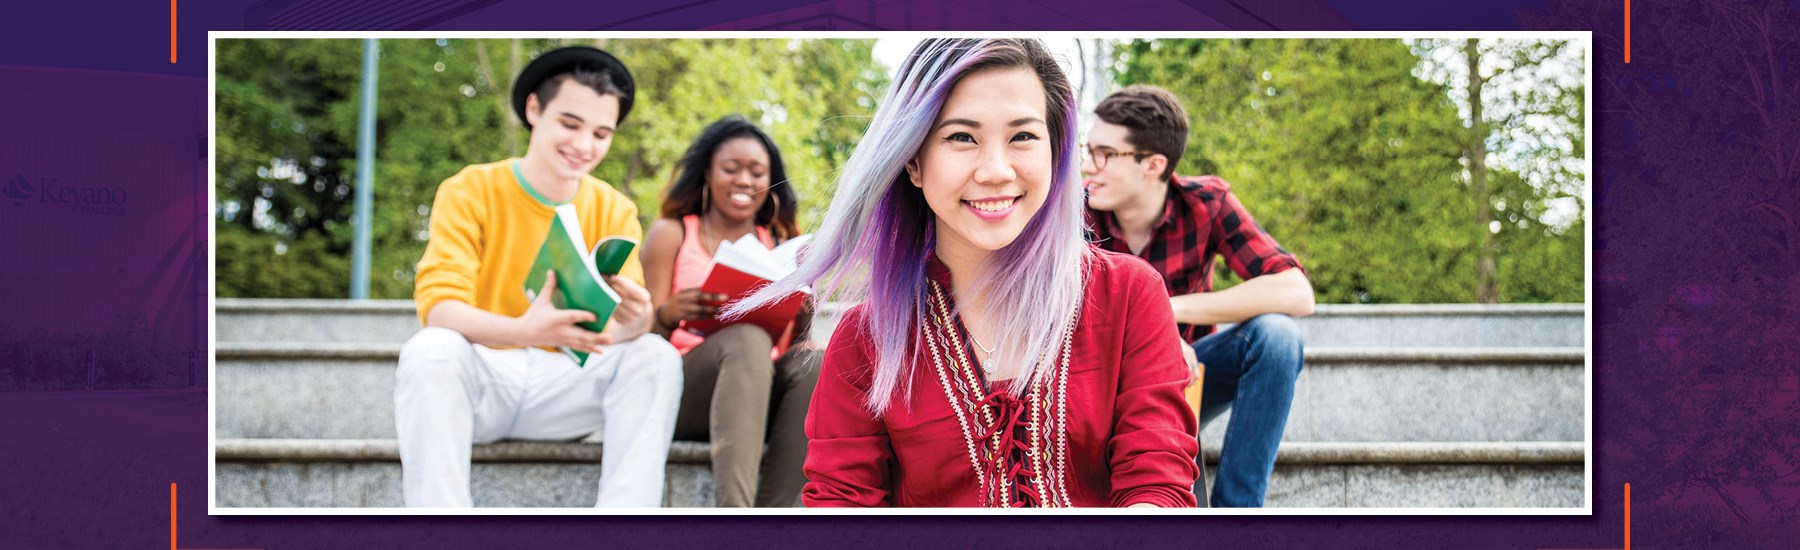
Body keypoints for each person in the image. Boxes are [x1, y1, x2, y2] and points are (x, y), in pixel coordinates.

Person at [731, 38, 1199, 508]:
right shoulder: (863, 341)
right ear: (913, 161)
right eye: (961, 137)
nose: (995, 170)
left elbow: (1157, 484)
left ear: (1055, 154)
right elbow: (841, 506)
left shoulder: (1129, 294)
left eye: (1023, 136)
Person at [395, 46, 683, 508]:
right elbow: (439, 309)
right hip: (484, 376)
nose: (584, 146)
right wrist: (525, 330)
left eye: (601, 133)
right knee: (430, 349)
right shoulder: (470, 189)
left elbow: (621, 333)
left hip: (566, 386)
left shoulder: (614, 208)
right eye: (570, 125)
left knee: (654, 355)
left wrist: (637, 317)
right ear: (534, 109)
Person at [1081, 84, 1315, 507]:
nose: (1087, 166)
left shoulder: (1206, 203)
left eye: (1105, 154)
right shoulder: (1073, 212)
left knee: (1278, 337)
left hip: (1185, 379)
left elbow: (1297, 292)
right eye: (1088, 149)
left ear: (1153, 164)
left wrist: (1164, 313)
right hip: (1097, 388)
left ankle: (1235, 519)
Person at [640, 115, 820, 507]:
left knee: (814, 362)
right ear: (707, 173)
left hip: (757, 392)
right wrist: (670, 313)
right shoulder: (672, 233)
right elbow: (640, 342)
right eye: (731, 168)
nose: (744, 181)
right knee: (745, 336)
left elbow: (788, 344)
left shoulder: (781, 246)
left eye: (757, 172)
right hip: (684, 388)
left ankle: (772, 528)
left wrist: (803, 317)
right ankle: (733, 521)